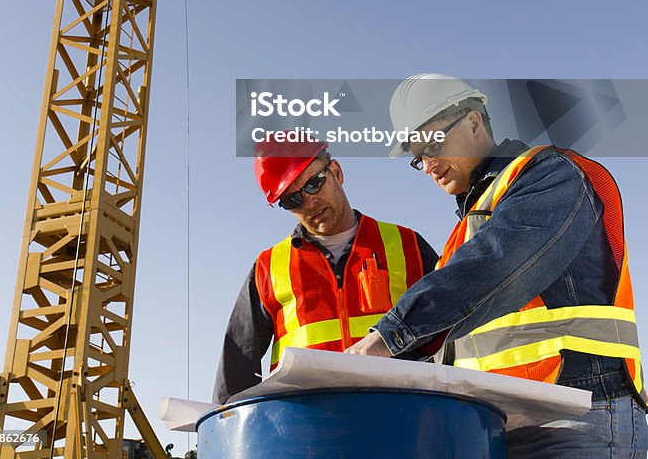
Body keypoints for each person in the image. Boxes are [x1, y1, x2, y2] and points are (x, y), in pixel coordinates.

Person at [346, 74, 648, 458]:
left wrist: (390, 337)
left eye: (431, 143)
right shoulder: (473, 221)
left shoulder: (552, 175)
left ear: (474, 122)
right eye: (416, 156)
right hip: (503, 422)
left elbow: (493, 265)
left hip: (579, 415)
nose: (427, 164)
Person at [213, 140, 438, 404]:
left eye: (313, 183)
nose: (309, 202)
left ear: (337, 172)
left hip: (402, 417)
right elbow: (236, 365)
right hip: (306, 430)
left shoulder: (407, 244)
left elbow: (452, 331)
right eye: (292, 200)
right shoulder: (268, 266)